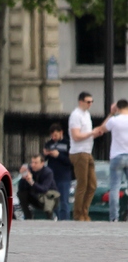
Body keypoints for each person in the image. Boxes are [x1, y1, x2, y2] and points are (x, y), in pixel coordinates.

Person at [68, 91, 104, 221]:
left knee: (92, 185)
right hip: (79, 152)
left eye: (92, 102)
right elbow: (76, 136)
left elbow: (87, 133)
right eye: (88, 102)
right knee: (82, 184)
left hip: (87, 151)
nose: (90, 104)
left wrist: (94, 133)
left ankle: (84, 211)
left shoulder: (86, 115)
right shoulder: (76, 115)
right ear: (81, 102)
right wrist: (91, 133)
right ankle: (78, 214)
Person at [98, 99, 128, 221]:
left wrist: (111, 113)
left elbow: (101, 129)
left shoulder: (114, 120)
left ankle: (114, 217)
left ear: (117, 108)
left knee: (115, 187)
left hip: (117, 156)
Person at [43, 123, 72, 220]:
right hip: (52, 176)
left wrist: (58, 156)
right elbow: (42, 160)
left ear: (61, 133)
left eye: (55, 135)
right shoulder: (49, 144)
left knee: (64, 200)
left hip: (64, 176)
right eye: (52, 136)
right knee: (53, 199)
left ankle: (65, 220)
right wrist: (46, 154)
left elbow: (70, 161)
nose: (54, 137)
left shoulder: (68, 143)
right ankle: (56, 218)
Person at [17, 154, 61, 220]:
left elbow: (44, 189)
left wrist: (31, 182)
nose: (33, 165)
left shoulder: (48, 172)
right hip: (35, 196)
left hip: (48, 197)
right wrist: (23, 177)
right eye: (32, 162)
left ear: (42, 163)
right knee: (21, 194)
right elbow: (21, 189)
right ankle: (28, 216)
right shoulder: (29, 170)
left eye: (36, 163)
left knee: (47, 198)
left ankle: (50, 217)